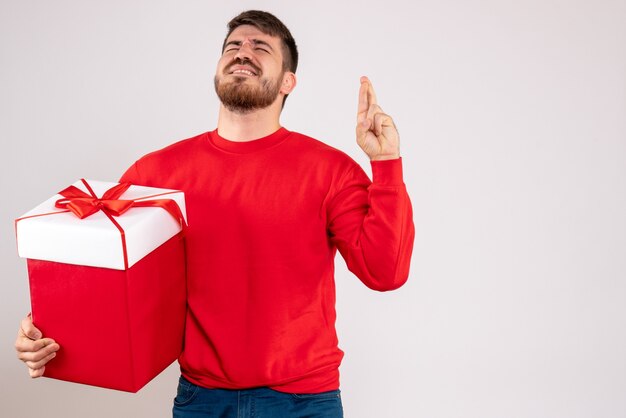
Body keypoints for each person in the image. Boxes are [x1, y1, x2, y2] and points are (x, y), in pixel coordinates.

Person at [15, 10, 414, 418]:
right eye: (233, 47)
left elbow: (385, 272)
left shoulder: (331, 170)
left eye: (260, 47)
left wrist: (386, 164)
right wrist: (44, 329)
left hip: (305, 401)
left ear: (288, 82)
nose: (243, 52)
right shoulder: (154, 176)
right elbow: (108, 281)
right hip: (202, 401)